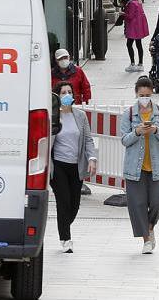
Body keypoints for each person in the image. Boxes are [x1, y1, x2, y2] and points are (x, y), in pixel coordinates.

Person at [119, 77, 159, 254]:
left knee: (158, 201)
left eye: (147, 95)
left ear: (152, 94)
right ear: (136, 94)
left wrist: (156, 130)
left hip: (157, 167)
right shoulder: (128, 114)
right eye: (141, 95)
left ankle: (150, 227)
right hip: (135, 168)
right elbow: (124, 140)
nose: (144, 98)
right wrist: (137, 132)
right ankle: (146, 240)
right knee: (138, 204)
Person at [50, 82, 97, 254]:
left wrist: (92, 158)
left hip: (76, 166)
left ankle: (63, 226)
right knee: (63, 201)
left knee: (74, 205)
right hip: (58, 166)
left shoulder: (81, 116)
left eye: (70, 92)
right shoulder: (53, 116)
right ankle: (66, 238)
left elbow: (88, 139)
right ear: (57, 96)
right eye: (63, 92)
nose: (67, 95)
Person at [121, 0, 149, 72]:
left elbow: (130, 16)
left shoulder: (132, 3)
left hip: (133, 27)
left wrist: (123, 14)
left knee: (129, 44)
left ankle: (133, 63)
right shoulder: (138, 2)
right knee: (138, 44)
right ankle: (140, 64)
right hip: (138, 27)